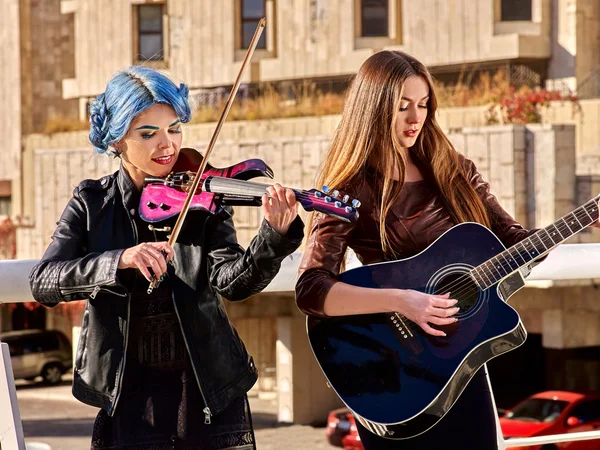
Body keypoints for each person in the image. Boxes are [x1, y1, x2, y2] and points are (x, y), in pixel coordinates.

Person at [294, 50, 598, 450]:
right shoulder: (349, 189)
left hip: (460, 364)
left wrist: (583, 218)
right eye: (402, 106)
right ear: (372, 107)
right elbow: (312, 290)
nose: (414, 118)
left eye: (422, 105)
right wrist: (404, 301)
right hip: (391, 374)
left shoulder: (453, 169)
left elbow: (515, 242)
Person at [29, 66, 303, 450]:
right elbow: (43, 280)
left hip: (206, 390)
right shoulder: (91, 202)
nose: (167, 146)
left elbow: (233, 282)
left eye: (174, 129)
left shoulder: (201, 193)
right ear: (118, 139)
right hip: (128, 396)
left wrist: (273, 236)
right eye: (148, 133)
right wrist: (118, 260)